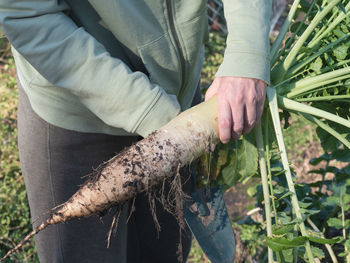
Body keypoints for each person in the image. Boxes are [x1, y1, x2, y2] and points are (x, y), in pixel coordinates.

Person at [0, 0, 271, 262]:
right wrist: (155, 114)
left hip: (178, 104)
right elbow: (26, 13)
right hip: (78, 109)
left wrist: (247, 55)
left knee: (167, 251)